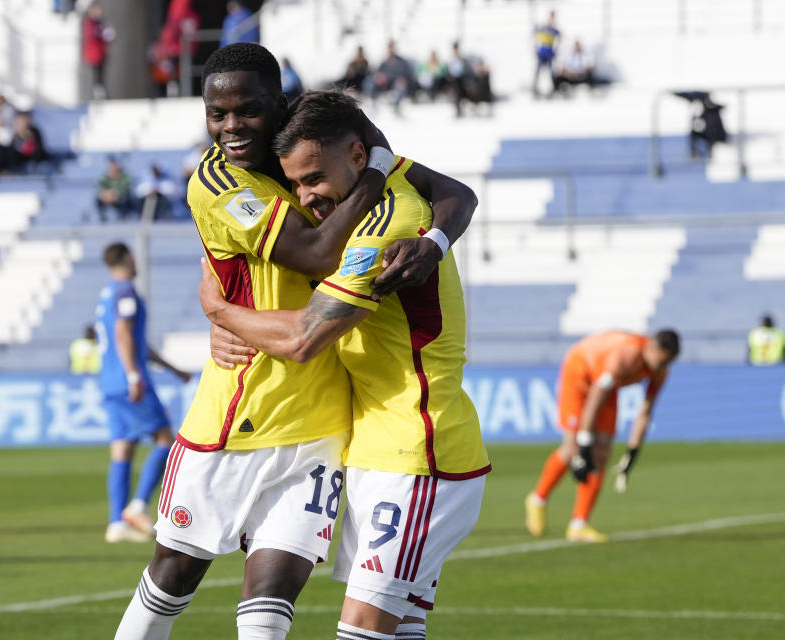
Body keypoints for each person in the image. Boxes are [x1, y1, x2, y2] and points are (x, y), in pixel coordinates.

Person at [114, 42, 478, 640]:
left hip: (327, 423)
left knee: (274, 595)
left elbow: (454, 193)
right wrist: (218, 309)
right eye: (216, 114)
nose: (231, 127)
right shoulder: (218, 179)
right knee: (172, 576)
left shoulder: (322, 145)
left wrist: (434, 237)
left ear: (277, 106)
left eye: (248, 111)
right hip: (241, 413)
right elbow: (312, 250)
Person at [196, 90, 488, 640]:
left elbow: (305, 337)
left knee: (362, 632)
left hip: (418, 450)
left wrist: (219, 311)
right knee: (399, 628)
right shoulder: (382, 178)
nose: (306, 198)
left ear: (358, 156)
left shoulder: (386, 227)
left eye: (313, 179)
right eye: (296, 184)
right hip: (381, 450)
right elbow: (455, 191)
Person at [525, 329, 681, 542]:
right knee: (573, 450)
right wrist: (585, 445)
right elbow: (594, 400)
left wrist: (632, 452)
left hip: (607, 386)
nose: (660, 368)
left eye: (666, 364)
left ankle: (579, 524)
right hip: (580, 372)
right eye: (660, 361)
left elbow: (645, 412)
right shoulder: (624, 357)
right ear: (652, 348)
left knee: (603, 452)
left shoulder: (660, 371)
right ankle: (537, 499)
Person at [96, 242, 191, 543]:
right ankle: (137, 507)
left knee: (122, 448)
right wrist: (134, 375)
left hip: (110, 382)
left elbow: (133, 340)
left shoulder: (107, 294)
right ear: (127, 258)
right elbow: (123, 334)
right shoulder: (126, 292)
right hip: (129, 381)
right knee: (167, 440)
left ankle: (116, 523)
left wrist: (172, 368)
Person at [364, 40, 415, 114]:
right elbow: (377, 73)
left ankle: (396, 107)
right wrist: (379, 77)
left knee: (400, 86)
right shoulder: (384, 62)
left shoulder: (402, 62)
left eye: (392, 48)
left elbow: (408, 74)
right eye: (389, 48)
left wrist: (403, 79)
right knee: (369, 81)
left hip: (396, 83)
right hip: (385, 84)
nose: (390, 50)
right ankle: (373, 104)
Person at [82, 1, 115, 100]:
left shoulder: (100, 22)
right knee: (97, 75)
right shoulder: (89, 23)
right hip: (94, 54)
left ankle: (102, 94)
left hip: (101, 53)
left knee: (102, 75)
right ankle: (98, 95)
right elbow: (91, 35)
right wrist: (100, 32)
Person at [532, 11, 560, 97]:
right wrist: (535, 50)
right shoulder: (542, 29)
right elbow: (535, 38)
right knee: (538, 71)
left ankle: (552, 88)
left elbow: (558, 40)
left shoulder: (554, 30)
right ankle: (536, 88)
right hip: (541, 53)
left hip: (549, 54)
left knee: (551, 72)